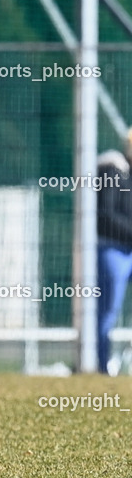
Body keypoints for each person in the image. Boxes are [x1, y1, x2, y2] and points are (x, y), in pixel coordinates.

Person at [97, 130, 132, 375]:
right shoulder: (113, 169)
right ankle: (100, 364)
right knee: (108, 310)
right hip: (114, 248)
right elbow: (105, 215)